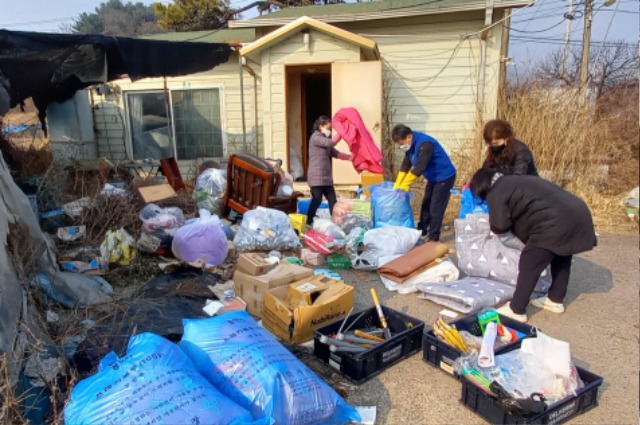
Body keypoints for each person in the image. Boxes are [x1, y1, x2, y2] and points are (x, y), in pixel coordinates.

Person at [470, 168, 597, 322]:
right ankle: (555, 300)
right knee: (561, 254)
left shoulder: (496, 191)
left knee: (530, 261)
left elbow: (500, 226)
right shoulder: (517, 180)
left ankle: (516, 309)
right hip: (578, 212)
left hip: (555, 221)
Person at [392, 124, 456, 242]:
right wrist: (398, 183)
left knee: (436, 207)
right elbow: (406, 164)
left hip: (444, 177)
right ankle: (423, 230)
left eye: (402, 143)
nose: (401, 146)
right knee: (426, 204)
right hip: (433, 177)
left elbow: (420, 166)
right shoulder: (411, 145)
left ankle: (433, 238)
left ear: (409, 137)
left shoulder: (425, 144)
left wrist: (406, 184)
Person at [306, 116, 351, 227]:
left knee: (332, 200)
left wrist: (350, 158)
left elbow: (336, 153)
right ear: (320, 126)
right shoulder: (315, 138)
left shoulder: (325, 140)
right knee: (317, 199)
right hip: (316, 176)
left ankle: (336, 221)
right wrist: (342, 133)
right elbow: (331, 143)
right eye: (328, 128)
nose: (329, 130)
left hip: (326, 177)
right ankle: (308, 220)